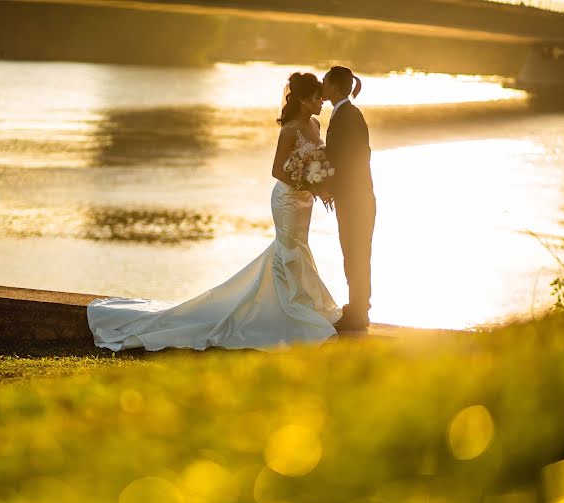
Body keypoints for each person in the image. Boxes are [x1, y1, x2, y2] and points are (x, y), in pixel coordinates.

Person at [87, 72, 343, 351]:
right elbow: (276, 170)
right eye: (317, 97)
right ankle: (296, 311)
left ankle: (295, 306)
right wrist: (307, 182)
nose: (322, 102)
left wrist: (320, 183)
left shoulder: (316, 124)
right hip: (287, 200)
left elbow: (317, 160)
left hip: (305, 200)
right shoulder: (289, 130)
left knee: (295, 249)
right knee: (290, 250)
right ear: (305, 99)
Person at [321, 66, 377, 333]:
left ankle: (358, 314)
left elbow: (352, 157)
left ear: (334, 86)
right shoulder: (345, 113)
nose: (322, 86)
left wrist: (330, 185)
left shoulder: (348, 115)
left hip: (356, 199)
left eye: (325, 82)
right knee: (353, 254)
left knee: (355, 254)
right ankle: (357, 308)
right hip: (355, 197)